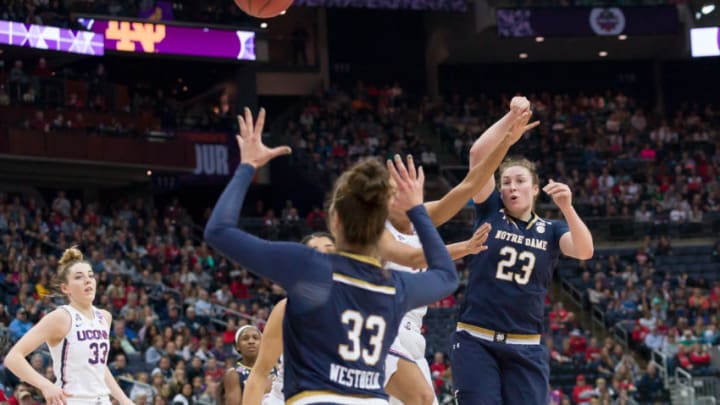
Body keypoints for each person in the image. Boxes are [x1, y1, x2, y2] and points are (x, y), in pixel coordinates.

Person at [204, 107, 457, 405]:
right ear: (380, 230)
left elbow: (218, 230)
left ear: (334, 220)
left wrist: (248, 165)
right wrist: (416, 209)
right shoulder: (394, 286)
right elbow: (446, 275)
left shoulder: (309, 267)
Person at [377, 105, 539, 405]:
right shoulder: (375, 230)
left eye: (408, 187)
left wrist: (505, 144)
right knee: (423, 400)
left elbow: (468, 185)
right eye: (396, 189)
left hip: (413, 336)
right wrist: (463, 248)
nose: (406, 192)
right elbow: (414, 258)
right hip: (382, 331)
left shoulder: (420, 217)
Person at [450, 97, 594, 404]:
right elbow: (478, 155)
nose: (512, 187)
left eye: (519, 181)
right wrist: (510, 121)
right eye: (505, 182)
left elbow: (584, 251)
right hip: (477, 340)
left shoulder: (552, 229)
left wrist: (568, 208)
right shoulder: (489, 210)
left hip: (525, 346)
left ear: (535, 187)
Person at [3, 247, 134, 405]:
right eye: (79, 277)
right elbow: (13, 358)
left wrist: (125, 400)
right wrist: (45, 385)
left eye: (90, 276)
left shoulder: (104, 317)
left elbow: (99, 368)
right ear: (65, 288)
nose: (87, 280)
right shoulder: (61, 317)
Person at [217, 325, 263, 405]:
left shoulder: (275, 368)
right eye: (245, 338)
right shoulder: (233, 374)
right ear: (237, 346)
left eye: (255, 338)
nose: (251, 341)